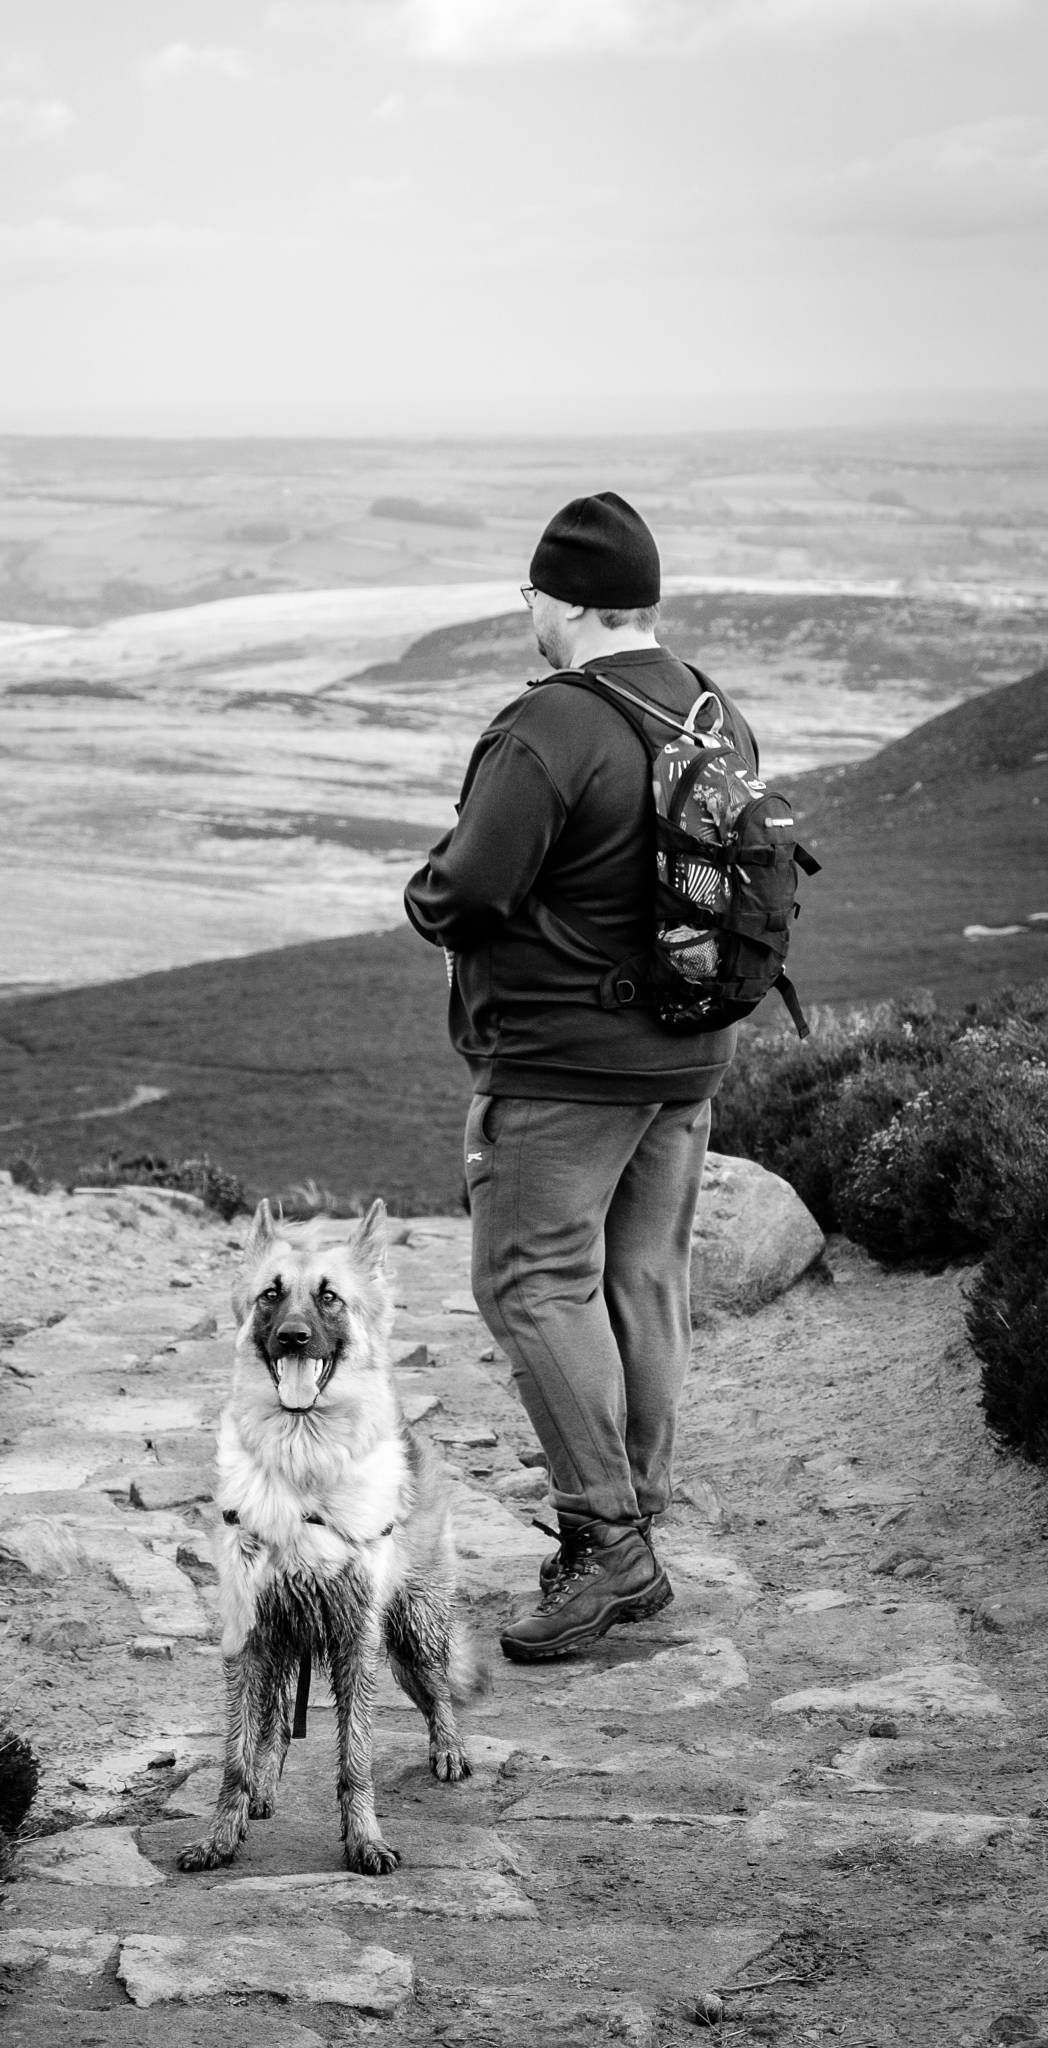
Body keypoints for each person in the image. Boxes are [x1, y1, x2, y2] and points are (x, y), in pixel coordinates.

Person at [403, 492, 757, 1663]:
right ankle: (633, 1517)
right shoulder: (713, 709)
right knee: (644, 1276)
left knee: (531, 1282)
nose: (531, 616)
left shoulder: (550, 724)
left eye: (532, 598)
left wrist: (423, 894)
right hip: (689, 1050)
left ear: (563, 601)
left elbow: (469, 889)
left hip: (563, 1067)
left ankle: (607, 1544)